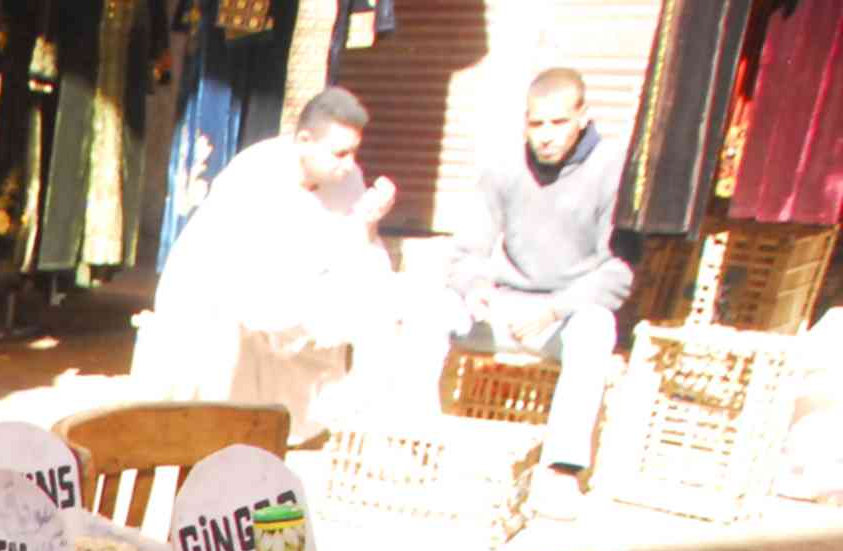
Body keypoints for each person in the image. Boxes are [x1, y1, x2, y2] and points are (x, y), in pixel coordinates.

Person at [131, 89, 403, 441]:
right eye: (339, 153)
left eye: (354, 152)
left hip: (301, 289)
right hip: (223, 289)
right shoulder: (255, 172)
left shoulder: (348, 179)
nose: (349, 164)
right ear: (304, 141)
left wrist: (367, 221)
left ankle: (355, 426)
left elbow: (353, 254)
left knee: (379, 305)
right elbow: (233, 267)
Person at [437, 68, 630, 518]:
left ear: (583, 116)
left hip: (565, 314)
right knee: (429, 309)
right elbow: (465, 251)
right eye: (536, 124)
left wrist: (555, 309)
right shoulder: (504, 166)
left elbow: (618, 272)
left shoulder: (611, 169)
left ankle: (560, 472)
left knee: (597, 327)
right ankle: (415, 443)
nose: (545, 137)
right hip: (505, 305)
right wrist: (475, 285)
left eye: (558, 123)